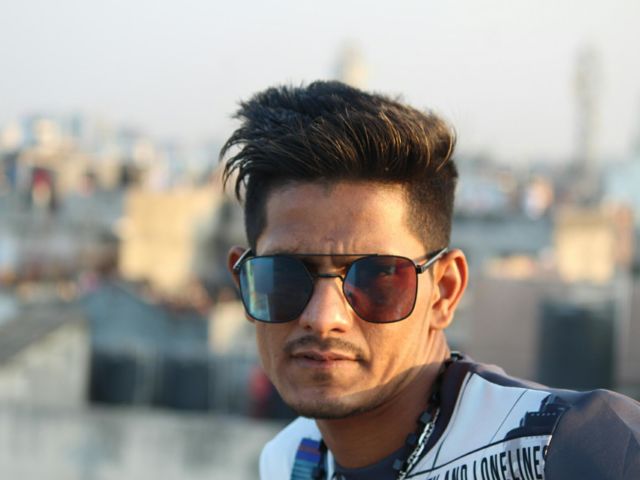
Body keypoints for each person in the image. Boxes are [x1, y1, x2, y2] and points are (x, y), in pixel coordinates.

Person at [221, 81, 640, 479]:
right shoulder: (290, 459)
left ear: (444, 291)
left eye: (377, 277)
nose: (324, 317)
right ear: (244, 283)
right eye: (285, 276)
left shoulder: (572, 448)